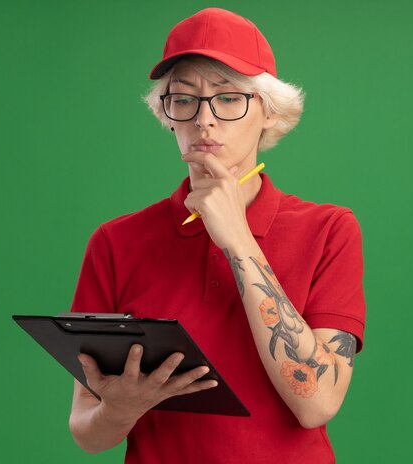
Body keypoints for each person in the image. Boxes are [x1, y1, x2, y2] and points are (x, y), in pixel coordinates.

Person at [68, 7, 366, 464]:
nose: (203, 120)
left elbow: (318, 403)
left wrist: (238, 241)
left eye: (229, 98)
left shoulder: (329, 230)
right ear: (167, 115)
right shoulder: (115, 242)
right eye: (183, 99)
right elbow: (87, 431)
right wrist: (119, 410)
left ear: (268, 112)